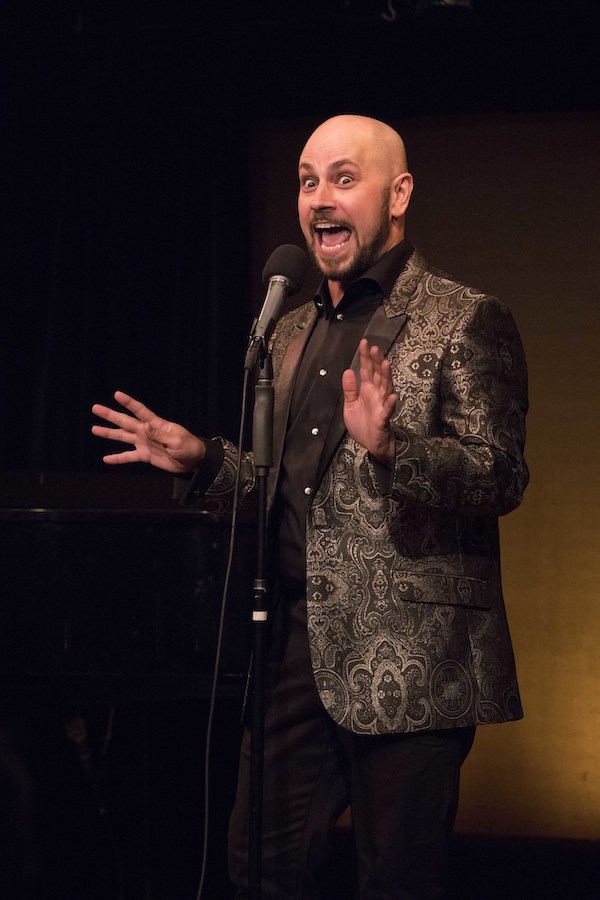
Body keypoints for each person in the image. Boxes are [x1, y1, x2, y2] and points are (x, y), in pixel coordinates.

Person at [92, 114, 529, 900]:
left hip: (411, 658)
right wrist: (205, 459)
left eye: (343, 178)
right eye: (306, 180)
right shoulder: (288, 330)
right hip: (292, 647)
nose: (319, 197)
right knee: (260, 866)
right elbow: (284, 488)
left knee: (397, 882)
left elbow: (500, 474)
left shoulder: (463, 317)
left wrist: (394, 448)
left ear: (399, 195)